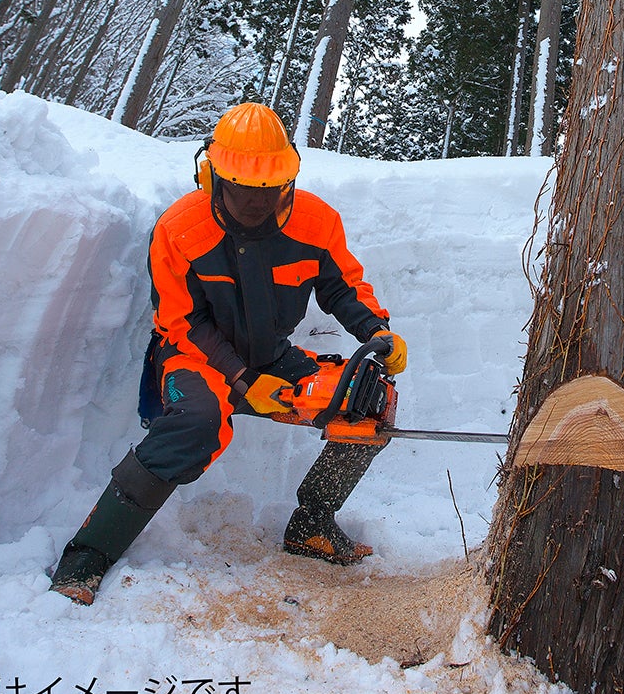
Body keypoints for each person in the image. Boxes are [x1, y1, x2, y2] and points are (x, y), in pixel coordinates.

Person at [49, 103, 406, 605]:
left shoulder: (316, 222)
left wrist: (377, 333)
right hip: (194, 357)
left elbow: (343, 286)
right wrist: (240, 378)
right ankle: (88, 554)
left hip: (270, 354)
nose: (256, 203)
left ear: (288, 178)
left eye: (268, 191)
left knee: (370, 401)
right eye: (243, 191)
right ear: (212, 175)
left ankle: (312, 527)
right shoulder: (179, 229)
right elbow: (180, 321)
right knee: (197, 422)